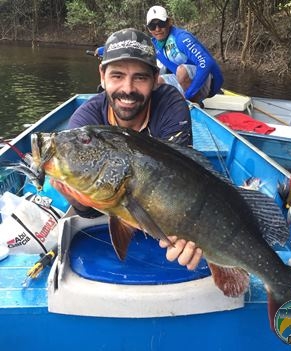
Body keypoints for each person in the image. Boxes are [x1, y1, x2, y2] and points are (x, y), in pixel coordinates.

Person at [53, 28, 203, 270]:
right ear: (102, 76)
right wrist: (77, 199)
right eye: (117, 75)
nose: (128, 88)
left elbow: (182, 182)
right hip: (114, 207)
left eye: (140, 77)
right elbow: (90, 213)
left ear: (156, 79)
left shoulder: (171, 106)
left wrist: (190, 233)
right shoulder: (85, 125)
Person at [146, 5, 224, 104]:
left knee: (181, 71)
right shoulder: (154, 45)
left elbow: (206, 62)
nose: (157, 29)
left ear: (169, 22)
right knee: (156, 82)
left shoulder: (182, 38)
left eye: (161, 24)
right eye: (152, 26)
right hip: (184, 80)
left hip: (211, 83)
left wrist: (187, 96)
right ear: (148, 29)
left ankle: (194, 104)